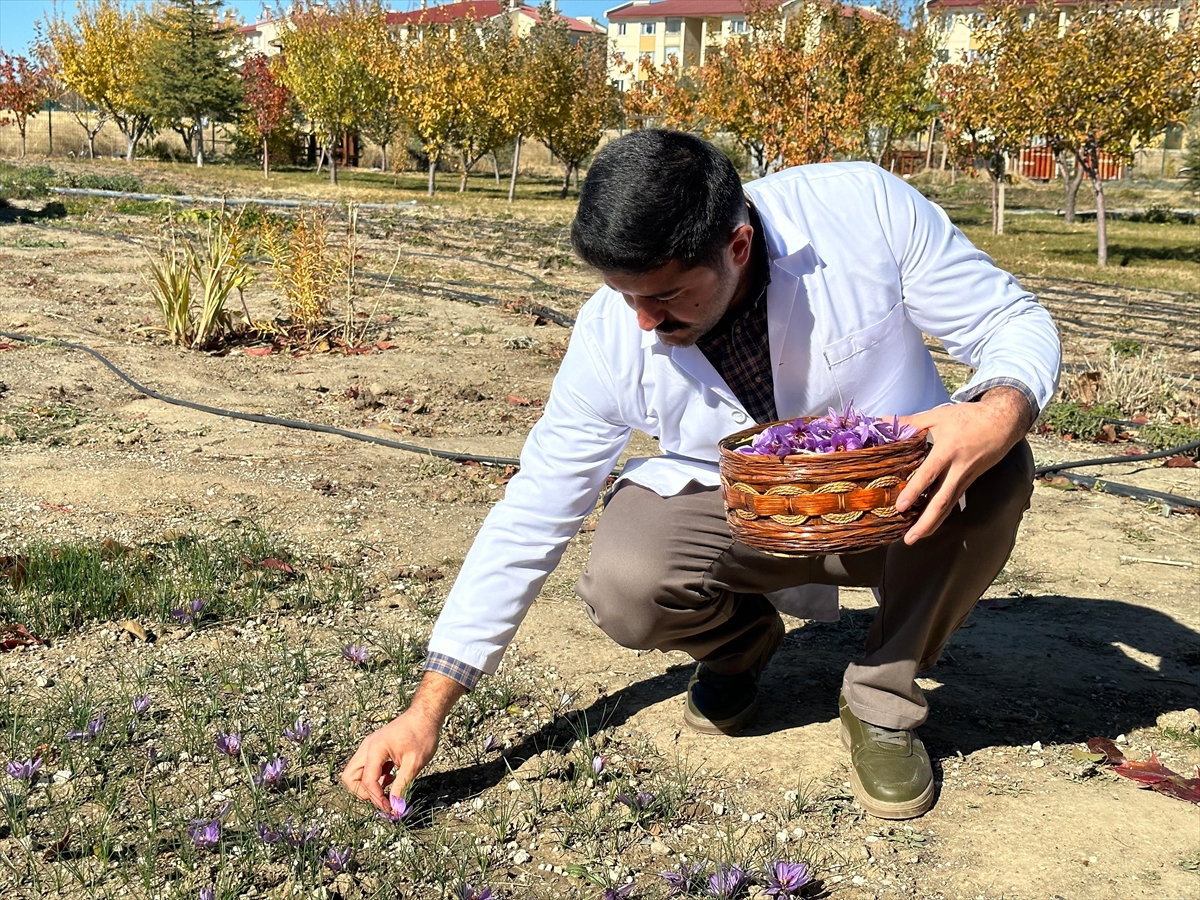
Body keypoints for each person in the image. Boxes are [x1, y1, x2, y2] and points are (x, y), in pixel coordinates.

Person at [340, 130, 1060, 820]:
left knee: (998, 466)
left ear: (737, 246)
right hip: (739, 509)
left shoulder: (861, 209)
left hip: (886, 495)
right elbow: (535, 505)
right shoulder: (612, 332)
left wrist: (997, 411)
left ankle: (881, 700)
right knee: (627, 577)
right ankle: (740, 649)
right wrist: (425, 709)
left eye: (665, 296)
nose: (645, 322)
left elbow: (1010, 320)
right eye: (627, 296)